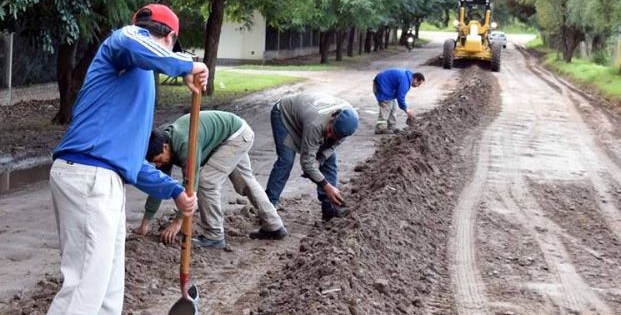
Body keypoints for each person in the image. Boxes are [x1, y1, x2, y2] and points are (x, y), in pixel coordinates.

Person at [48, 4, 208, 315]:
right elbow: (134, 40)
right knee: (84, 290)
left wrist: (174, 191)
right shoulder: (125, 42)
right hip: (89, 175)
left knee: (108, 293)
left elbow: (131, 161)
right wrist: (188, 64)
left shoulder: (136, 83)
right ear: (169, 38)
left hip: (102, 179)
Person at [136, 111, 287, 249]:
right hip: (234, 134)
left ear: (165, 147)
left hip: (235, 137)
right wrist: (145, 223)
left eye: (158, 160)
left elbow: (191, 185)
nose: (158, 164)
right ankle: (274, 225)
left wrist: (178, 222)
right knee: (245, 182)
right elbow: (159, 186)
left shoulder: (185, 144)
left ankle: (214, 236)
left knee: (206, 182)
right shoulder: (165, 144)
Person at [265, 93, 358, 221]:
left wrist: (320, 160)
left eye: (335, 136)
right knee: (286, 160)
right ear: (333, 118)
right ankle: (267, 210)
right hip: (284, 115)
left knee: (329, 159)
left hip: (305, 117)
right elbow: (307, 163)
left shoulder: (348, 125)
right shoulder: (315, 124)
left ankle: (329, 210)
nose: (329, 136)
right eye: (330, 131)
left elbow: (332, 147)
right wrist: (327, 186)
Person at [372, 68, 425, 134]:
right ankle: (380, 128)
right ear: (415, 79)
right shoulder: (405, 82)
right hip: (382, 86)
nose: (418, 86)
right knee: (386, 108)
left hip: (386, 86)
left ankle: (392, 127)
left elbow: (398, 94)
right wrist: (406, 110)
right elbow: (400, 97)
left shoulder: (407, 77)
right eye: (418, 83)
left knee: (393, 107)